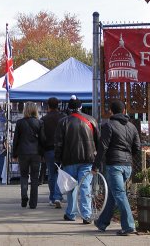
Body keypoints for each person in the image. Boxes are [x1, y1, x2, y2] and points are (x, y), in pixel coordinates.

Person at [92, 99, 140, 236]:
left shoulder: (109, 125)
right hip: (127, 166)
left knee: (119, 194)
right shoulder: (132, 127)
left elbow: (103, 147)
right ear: (124, 110)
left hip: (114, 165)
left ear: (111, 111)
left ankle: (129, 226)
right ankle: (102, 223)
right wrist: (129, 158)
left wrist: (95, 165)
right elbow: (137, 147)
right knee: (114, 194)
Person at [54, 95, 99, 224]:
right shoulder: (91, 120)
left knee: (71, 186)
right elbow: (97, 140)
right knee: (85, 186)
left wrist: (57, 160)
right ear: (80, 107)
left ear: (68, 108)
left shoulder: (63, 122)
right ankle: (86, 215)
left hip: (69, 159)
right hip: (88, 158)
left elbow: (58, 143)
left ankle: (71, 213)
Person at [13, 102, 45, 209]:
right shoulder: (39, 123)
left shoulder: (20, 123)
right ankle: (33, 203)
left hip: (23, 153)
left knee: (23, 175)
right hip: (36, 153)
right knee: (35, 178)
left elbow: (16, 139)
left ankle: (24, 196)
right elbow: (43, 140)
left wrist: (14, 154)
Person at [40, 97, 66, 208]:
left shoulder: (44, 119)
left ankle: (53, 197)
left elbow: (42, 137)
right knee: (61, 173)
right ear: (58, 105)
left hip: (49, 149)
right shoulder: (64, 118)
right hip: (63, 149)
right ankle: (58, 196)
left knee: (51, 174)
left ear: (48, 106)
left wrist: (42, 151)